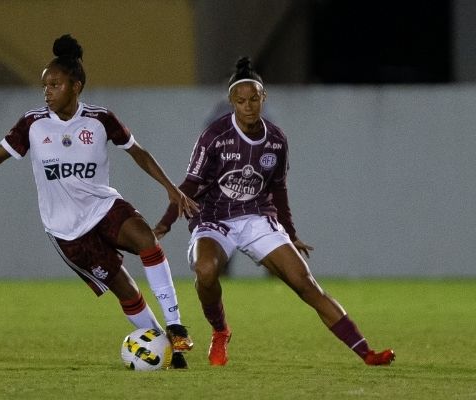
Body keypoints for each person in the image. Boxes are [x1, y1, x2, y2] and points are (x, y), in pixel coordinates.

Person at [0, 34, 197, 369]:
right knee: (125, 289)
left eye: (54, 84)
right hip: (67, 231)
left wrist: (170, 187)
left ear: (75, 85)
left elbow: (138, 152)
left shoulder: (100, 119)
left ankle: (176, 324)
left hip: (103, 207)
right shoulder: (33, 124)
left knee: (147, 241)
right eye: (44, 86)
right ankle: (167, 351)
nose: (47, 92)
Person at [154, 56, 395, 367]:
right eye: (241, 101)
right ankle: (220, 331)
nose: (249, 106)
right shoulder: (214, 135)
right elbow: (189, 183)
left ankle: (367, 353)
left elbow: (279, 191)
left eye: (254, 99)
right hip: (214, 218)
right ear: (232, 102)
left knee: (306, 284)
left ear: (263, 98)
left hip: (257, 217)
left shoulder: (277, 140)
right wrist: (165, 223)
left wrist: (291, 235)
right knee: (206, 271)